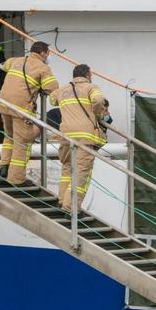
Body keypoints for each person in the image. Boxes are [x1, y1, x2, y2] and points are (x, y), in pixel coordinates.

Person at [0, 41, 58, 186]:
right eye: (48, 53)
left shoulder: (16, 61)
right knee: (22, 143)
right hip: (21, 109)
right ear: (43, 53)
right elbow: (52, 88)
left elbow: (4, 65)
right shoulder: (43, 68)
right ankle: (16, 179)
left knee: (9, 135)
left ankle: (4, 166)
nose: (48, 56)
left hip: (3, 104)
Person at [49, 64, 107, 209]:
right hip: (84, 135)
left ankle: (62, 200)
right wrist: (97, 114)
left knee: (67, 167)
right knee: (81, 171)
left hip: (66, 134)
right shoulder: (91, 87)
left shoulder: (62, 89)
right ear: (87, 75)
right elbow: (99, 101)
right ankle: (70, 207)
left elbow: (52, 100)